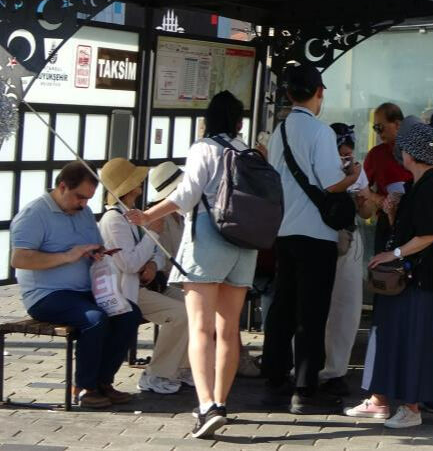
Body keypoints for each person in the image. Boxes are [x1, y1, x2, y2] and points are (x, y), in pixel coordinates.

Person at [126, 91, 256, 438]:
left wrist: (147, 215)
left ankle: (206, 406)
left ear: (207, 121)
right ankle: (223, 403)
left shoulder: (204, 148)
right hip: (245, 246)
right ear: (239, 122)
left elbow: (185, 195)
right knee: (228, 331)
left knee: (200, 328)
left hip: (208, 245)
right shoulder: (249, 152)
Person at [262, 65, 360, 414]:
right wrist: (353, 177)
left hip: (285, 231)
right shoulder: (319, 133)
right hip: (317, 234)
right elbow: (330, 183)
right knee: (312, 313)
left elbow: (274, 179)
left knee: (283, 307)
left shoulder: (279, 132)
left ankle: (274, 378)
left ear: (289, 94)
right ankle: (304, 389)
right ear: (319, 91)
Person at [345, 122, 433, 429]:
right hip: (410, 279)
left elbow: (429, 235)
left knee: (411, 340)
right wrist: (392, 212)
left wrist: (391, 255)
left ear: (410, 152)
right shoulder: (419, 184)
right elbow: (413, 231)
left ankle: (411, 406)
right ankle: (381, 400)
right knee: (392, 335)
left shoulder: (429, 186)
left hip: (418, 279)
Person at [11, 161, 142, 409]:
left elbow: (90, 243)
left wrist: (97, 252)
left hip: (83, 290)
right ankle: (84, 387)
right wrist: (67, 256)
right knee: (95, 319)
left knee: (129, 313)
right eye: (80, 197)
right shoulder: (34, 214)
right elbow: (19, 259)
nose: (83, 204)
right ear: (62, 187)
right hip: (46, 295)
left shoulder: (82, 212)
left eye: (88, 199)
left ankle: (103, 381)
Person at [98, 158, 191, 395]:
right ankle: (156, 373)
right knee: (179, 315)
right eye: (136, 181)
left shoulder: (130, 215)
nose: (141, 185)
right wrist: (152, 234)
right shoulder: (113, 220)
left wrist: (152, 263)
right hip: (127, 291)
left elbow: (157, 255)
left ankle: (180, 366)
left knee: (195, 309)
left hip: (149, 285)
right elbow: (129, 263)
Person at [319, 123, 374, 398]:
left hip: (349, 240)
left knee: (347, 308)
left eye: (349, 154)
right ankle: (304, 366)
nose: (346, 158)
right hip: (319, 237)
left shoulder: (356, 168)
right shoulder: (317, 163)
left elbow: (367, 212)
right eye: (341, 154)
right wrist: (346, 183)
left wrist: (364, 199)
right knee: (315, 306)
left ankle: (335, 371)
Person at [360, 102, 413, 251]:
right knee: (384, 271)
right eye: (375, 128)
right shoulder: (376, 155)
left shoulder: (416, 152)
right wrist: (378, 199)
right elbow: (362, 187)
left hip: (414, 219)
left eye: (380, 127)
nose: (377, 132)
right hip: (386, 221)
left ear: (397, 124)